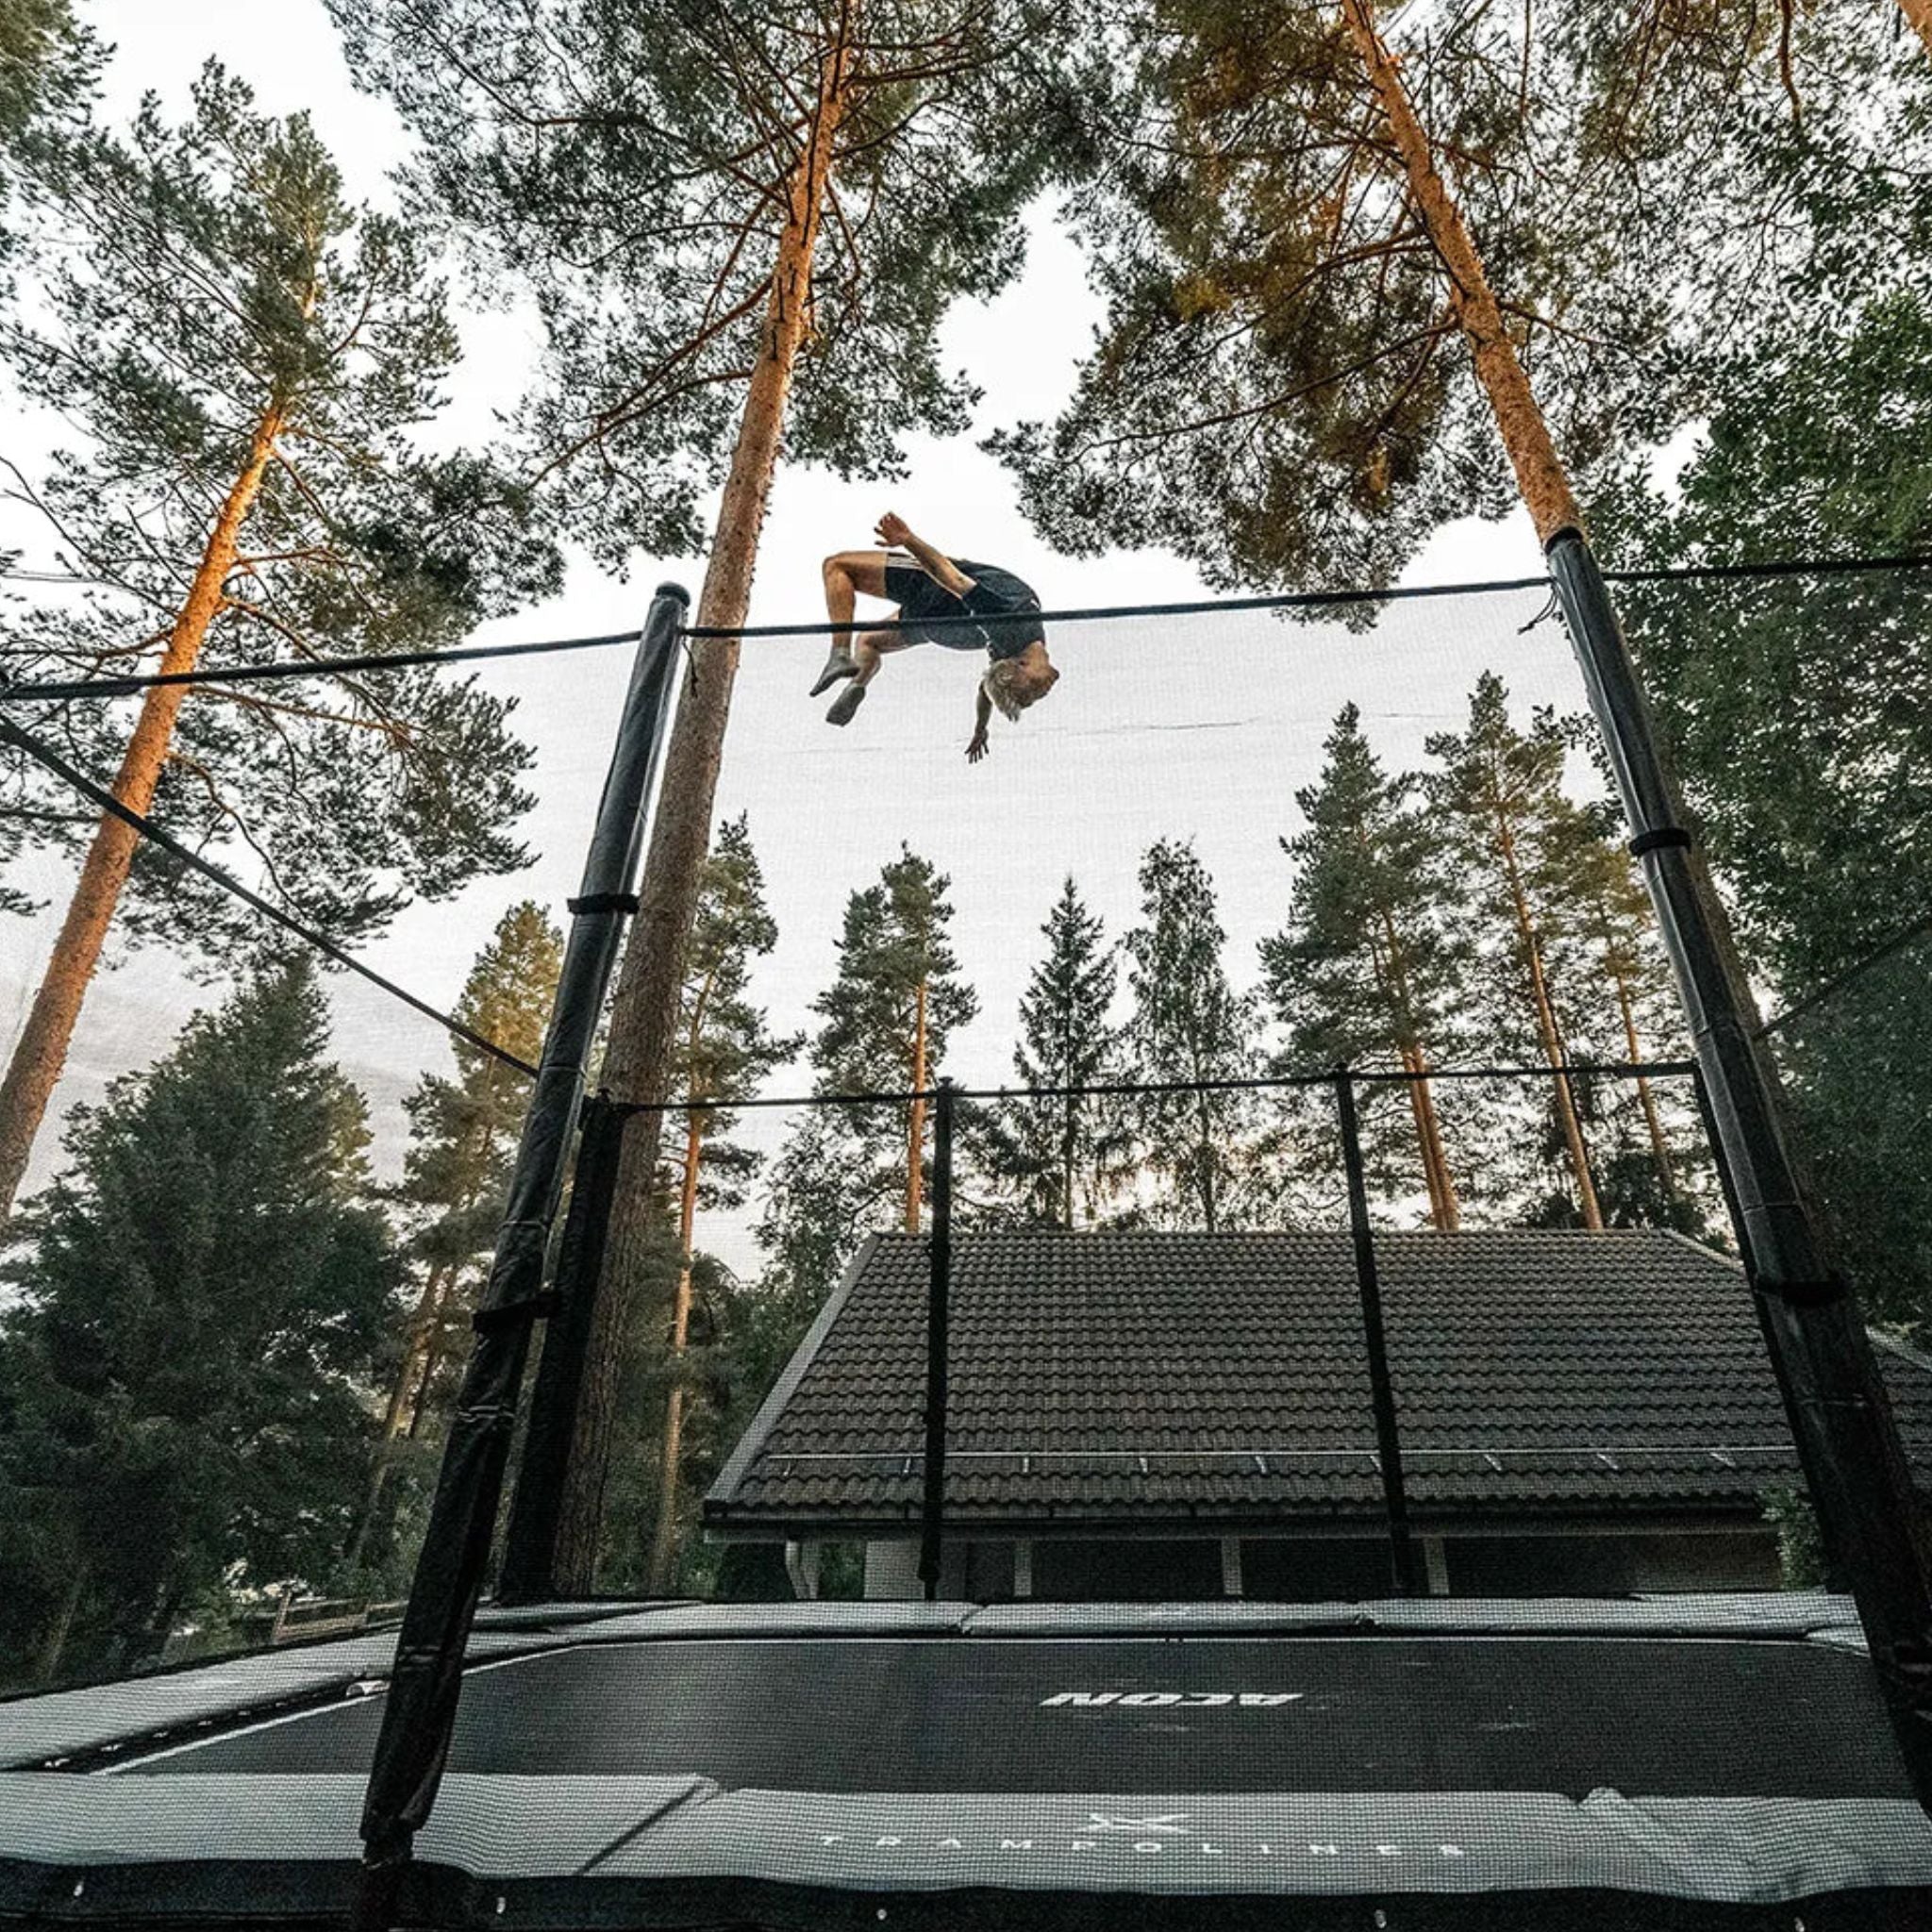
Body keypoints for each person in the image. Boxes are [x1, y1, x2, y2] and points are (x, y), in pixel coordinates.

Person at [814, 513, 1058, 761]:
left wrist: (908, 539)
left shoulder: (1010, 620)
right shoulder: (1010, 653)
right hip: (941, 630)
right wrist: (980, 728)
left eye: (1038, 687)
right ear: (1020, 663)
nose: (1046, 688)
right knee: (869, 641)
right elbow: (986, 689)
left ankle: (840, 654)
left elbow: (954, 578)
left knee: (836, 566)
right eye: (1042, 690)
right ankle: (858, 683)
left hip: (933, 592)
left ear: (1021, 663)